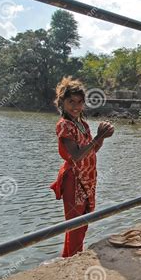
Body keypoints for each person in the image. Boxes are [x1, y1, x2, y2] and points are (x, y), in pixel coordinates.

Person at [50, 77, 114, 257]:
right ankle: (71, 257)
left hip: (87, 178)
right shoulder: (64, 125)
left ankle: (71, 255)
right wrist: (97, 137)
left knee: (83, 221)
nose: (76, 106)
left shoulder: (83, 124)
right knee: (74, 224)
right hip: (73, 179)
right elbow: (76, 155)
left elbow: (92, 151)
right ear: (62, 102)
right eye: (71, 102)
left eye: (79, 102)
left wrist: (102, 137)